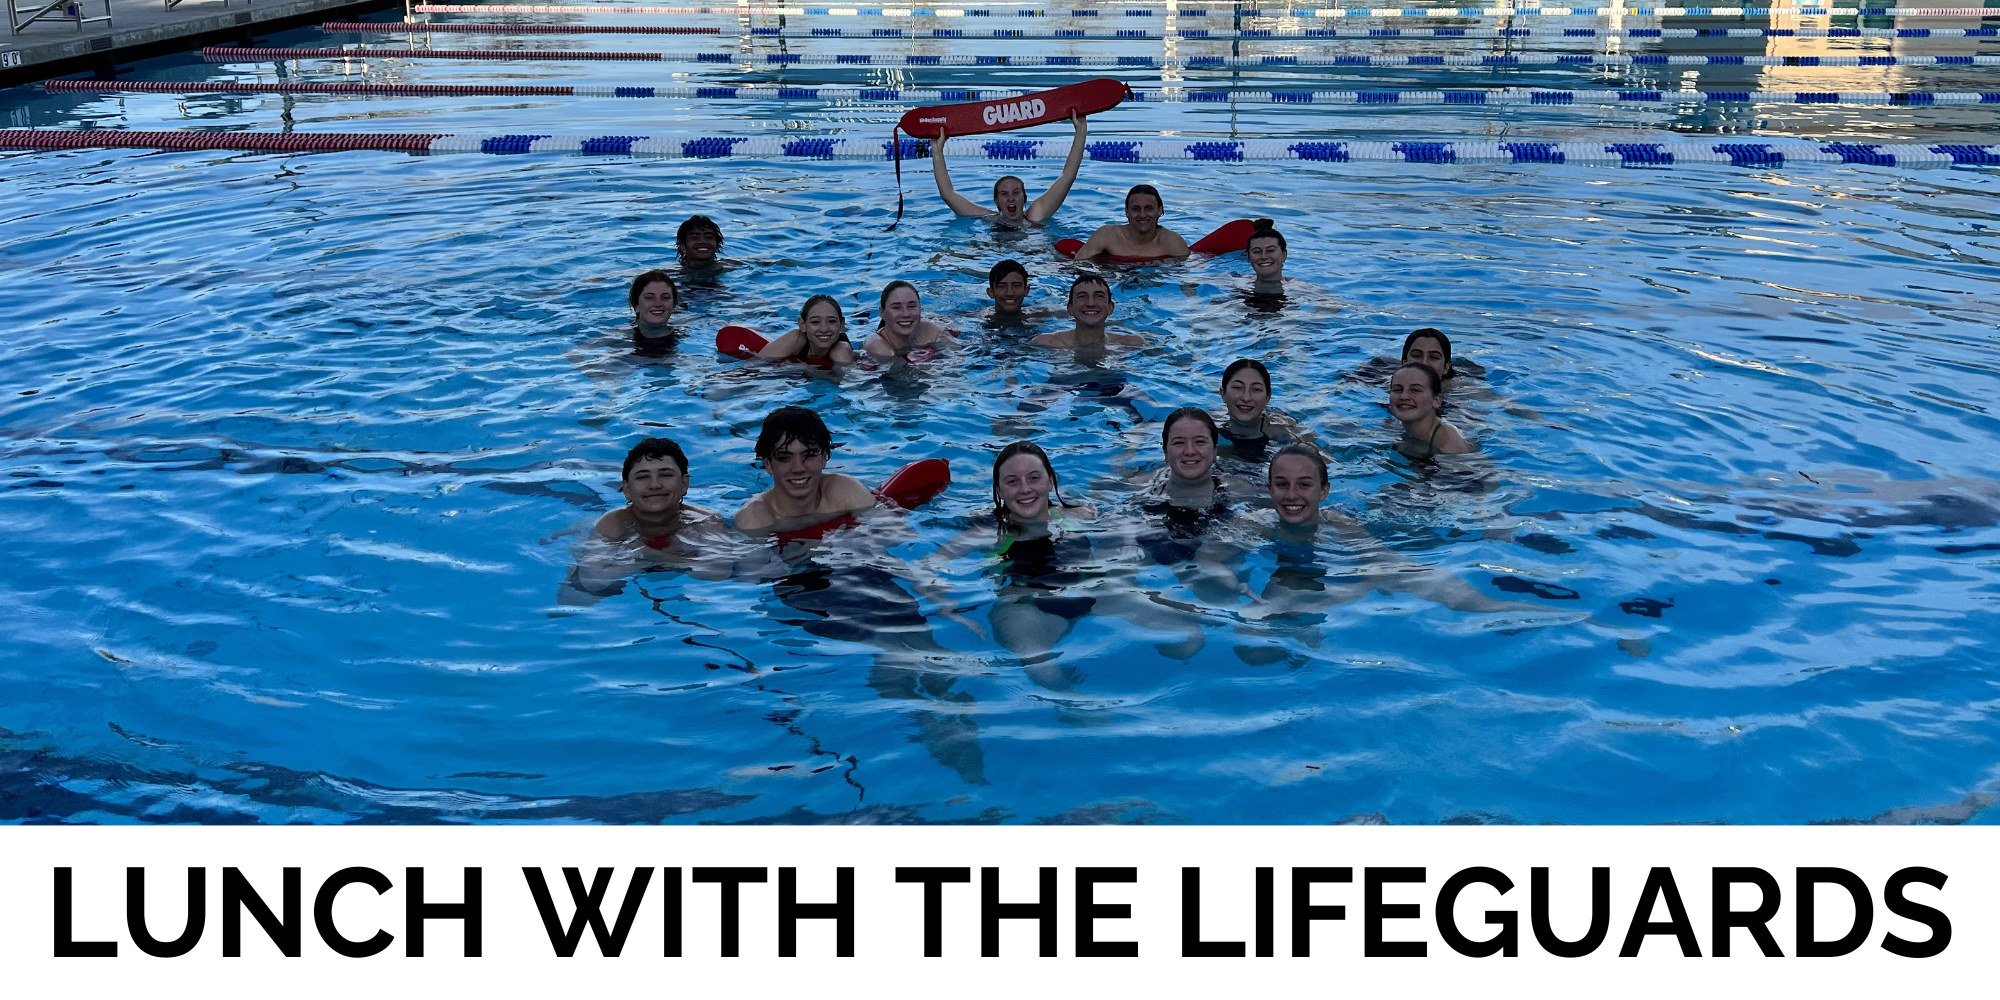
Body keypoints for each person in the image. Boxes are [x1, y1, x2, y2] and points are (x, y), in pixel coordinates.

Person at [732, 406, 881, 535]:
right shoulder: (754, 519)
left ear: (824, 457)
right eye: (785, 457)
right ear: (769, 465)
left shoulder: (846, 491)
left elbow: (893, 535)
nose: (799, 468)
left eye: (809, 455)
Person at [932, 111, 1087, 226]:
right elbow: (948, 195)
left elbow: (1067, 176)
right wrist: (937, 149)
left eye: (1016, 193)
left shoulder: (1036, 215)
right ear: (996, 202)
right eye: (1004, 194)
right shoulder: (989, 219)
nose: (1011, 198)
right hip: (993, 258)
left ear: (1024, 198)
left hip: (1035, 259)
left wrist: (1081, 131)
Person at [594, 436, 722, 547]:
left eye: (665, 475)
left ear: (684, 484)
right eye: (643, 477)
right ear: (627, 489)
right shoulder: (612, 524)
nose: (654, 485)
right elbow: (595, 573)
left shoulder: (707, 522)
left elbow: (717, 573)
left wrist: (642, 553)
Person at [1214, 358, 1315, 462]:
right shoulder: (1207, 423)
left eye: (1256, 389)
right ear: (1223, 393)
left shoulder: (1282, 429)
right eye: (1237, 387)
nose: (1246, 398)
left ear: (1267, 398)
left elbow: (1317, 461)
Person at [1072, 184, 1190, 261]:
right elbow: (1078, 265)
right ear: (1127, 212)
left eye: (1148, 208)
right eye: (1136, 209)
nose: (1142, 215)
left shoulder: (1172, 242)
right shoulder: (1106, 235)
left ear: (1160, 211)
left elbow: (1189, 278)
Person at [1031, 274, 1144, 349]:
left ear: (1111, 307)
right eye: (1082, 296)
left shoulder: (1132, 344)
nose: (1091, 303)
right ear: (1070, 308)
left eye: (1099, 296)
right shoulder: (1046, 343)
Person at [1389, 362, 1472, 458]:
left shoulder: (1448, 440)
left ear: (1436, 400)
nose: (1403, 396)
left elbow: (1467, 471)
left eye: (1415, 390)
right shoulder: (1392, 425)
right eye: (1397, 390)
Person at [757, 294, 857, 365]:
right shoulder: (796, 338)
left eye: (831, 321)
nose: (824, 329)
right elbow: (755, 365)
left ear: (842, 324)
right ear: (802, 325)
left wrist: (802, 368)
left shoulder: (841, 352)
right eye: (815, 322)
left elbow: (847, 385)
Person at [862, 280, 951, 359]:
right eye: (896, 308)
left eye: (911, 306)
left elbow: (956, 358)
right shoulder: (878, 346)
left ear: (920, 308)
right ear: (882, 312)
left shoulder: (931, 330)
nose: (905, 314)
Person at [627, 269, 680, 349]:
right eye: (649, 298)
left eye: (665, 298)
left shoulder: (685, 333)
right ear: (636, 305)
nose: (658, 304)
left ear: (673, 305)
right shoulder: (618, 338)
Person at [986, 259, 1033, 326]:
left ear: (1026, 290)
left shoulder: (1041, 317)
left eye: (1016, 286)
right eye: (1002, 286)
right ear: (991, 292)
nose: (1010, 293)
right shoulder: (976, 319)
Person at [1247, 220, 1287, 290]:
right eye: (1257, 251)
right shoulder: (1235, 283)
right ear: (1249, 257)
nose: (1263, 256)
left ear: (1284, 255)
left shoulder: (1301, 290)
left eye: (1270, 250)